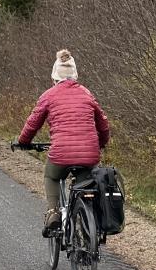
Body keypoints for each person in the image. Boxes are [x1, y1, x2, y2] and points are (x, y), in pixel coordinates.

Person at [15, 49, 110, 236]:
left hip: (60, 154)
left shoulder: (49, 95)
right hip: (89, 154)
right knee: (85, 185)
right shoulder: (86, 94)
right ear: (75, 76)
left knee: (51, 176)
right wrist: (101, 143)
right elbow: (103, 124)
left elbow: (33, 123)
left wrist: (23, 141)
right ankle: (87, 225)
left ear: (54, 76)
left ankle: (53, 214)